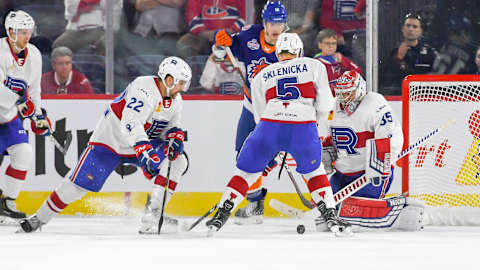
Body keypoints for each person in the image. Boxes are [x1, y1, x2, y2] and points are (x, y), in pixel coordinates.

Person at [19, 56, 192, 233]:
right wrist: (144, 150)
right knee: (76, 186)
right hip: (109, 142)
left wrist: (175, 137)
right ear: (169, 79)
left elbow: (172, 126)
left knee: (178, 161)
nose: (183, 88)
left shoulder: (177, 101)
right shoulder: (144, 88)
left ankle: (154, 215)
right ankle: (39, 219)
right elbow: (130, 122)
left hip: (140, 145)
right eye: (181, 83)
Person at [205, 32, 351, 236]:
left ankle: (222, 213)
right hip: (304, 127)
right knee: (314, 172)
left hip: (269, 126)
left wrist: (275, 147)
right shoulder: (313, 65)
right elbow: (326, 102)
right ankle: (331, 217)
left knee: (246, 173)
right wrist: (314, 128)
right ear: (299, 51)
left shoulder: (262, 74)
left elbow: (259, 116)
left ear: (277, 52)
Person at [318, 70, 424, 232]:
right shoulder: (333, 108)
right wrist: (327, 152)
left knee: (352, 210)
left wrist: (379, 162)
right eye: (341, 93)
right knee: (328, 216)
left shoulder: (375, 102)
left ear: (360, 89)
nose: (344, 97)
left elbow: (392, 135)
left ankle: (402, 212)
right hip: (341, 175)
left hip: (369, 176)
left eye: (348, 92)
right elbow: (331, 139)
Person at [212, 0, 288, 224]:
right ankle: (255, 203)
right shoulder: (248, 37)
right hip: (251, 105)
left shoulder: (291, 45)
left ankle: (319, 197)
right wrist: (220, 43)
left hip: (277, 111)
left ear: (285, 25)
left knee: (269, 155)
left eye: (280, 22)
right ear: (263, 22)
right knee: (242, 155)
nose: (276, 27)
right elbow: (220, 55)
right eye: (272, 22)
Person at [0, 10, 53, 222]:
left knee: (24, 153)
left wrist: (38, 115)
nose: (27, 36)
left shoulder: (34, 54)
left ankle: (7, 202)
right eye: (22, 32)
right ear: (11, 31)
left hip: (8, 118)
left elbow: (34, 90)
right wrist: (24, 105)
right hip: (7, 109)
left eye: (29, 32)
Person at [384, 13, 437, 94]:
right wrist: (398, 58)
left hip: (425, 96)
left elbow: (436, 77)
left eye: (415, 26)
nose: (410, 29)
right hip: (399, 97)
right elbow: (385, 77)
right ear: (403, 29)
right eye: (408, 26)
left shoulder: (430, 53)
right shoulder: (393, 52)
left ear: (420, 31)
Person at [177, 0, 246, 58]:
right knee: (185, 42)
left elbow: (246, 16)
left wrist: (232, 30)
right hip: (204, 36)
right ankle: (196, 70)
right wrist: (202, 32)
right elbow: (191, 15)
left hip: (233, 35)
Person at [53, 0, 123, 55]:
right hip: (77, 29)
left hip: (103, 29)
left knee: (104, 44)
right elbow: (71, 9)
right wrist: (92, 5)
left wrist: (86, 5)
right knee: (59, 45)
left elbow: (112, 7)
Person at [314, 28, 362, 94]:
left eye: (333, 43)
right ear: (320, 45)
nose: (330, 46)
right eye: (327, 43)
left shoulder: (341, 59)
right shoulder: (315, 63)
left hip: (342, 96)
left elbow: (358, 71)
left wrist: (343, 61)